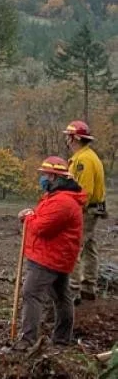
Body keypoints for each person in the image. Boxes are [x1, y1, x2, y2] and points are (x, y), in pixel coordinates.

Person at [15, 156, 86, 348]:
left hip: (48, 258)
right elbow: (42, 218)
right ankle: (62, 339)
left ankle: (27, 340)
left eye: (45, 175)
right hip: (56, 255)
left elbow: (41, 227)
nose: (43, 178)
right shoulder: (56, 197)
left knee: (31, 294)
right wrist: (32, 215)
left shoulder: (63, 202)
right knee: (61, 296)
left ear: (54, 177)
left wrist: (28, 218)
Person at [65, 120, 106, 302]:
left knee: (74, 245)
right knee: (89, 246)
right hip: (92, 209)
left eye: (68, 136)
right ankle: (88, 286)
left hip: (85, 210)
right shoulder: (88, 156)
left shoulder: (83, 160)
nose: (66, 139)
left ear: (74, 138)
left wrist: (72, 211)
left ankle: (72, 290)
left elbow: (84, 191)